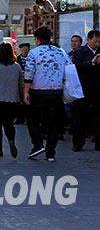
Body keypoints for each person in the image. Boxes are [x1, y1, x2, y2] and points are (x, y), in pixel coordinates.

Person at [24, 27, 70, 162]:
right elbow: (69, 70)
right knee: (54, 123)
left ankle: (37, 144)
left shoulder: (34, 53)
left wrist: (26, 91)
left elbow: (29, 73)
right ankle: (51, 152)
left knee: (33, 120)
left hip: (38, 92)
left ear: (37, 39)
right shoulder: (61, 52)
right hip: (56, 92)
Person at [0, 42, 23, 158]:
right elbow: (20, 84)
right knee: (9, 124)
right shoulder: (17, 67)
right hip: (13, 100)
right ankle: (11, 141)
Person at [70, 30, 100, 152]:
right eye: (96, 41)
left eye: (99, 41)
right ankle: (78, 143)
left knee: (97, 117)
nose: (98, 44)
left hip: (97, 90)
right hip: (82, 89)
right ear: (89, 39)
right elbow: (75, 68)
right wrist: (91, 63)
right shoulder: (79, 52)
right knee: (79, 118)